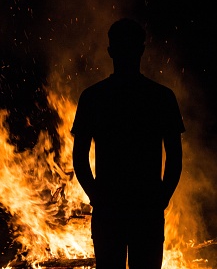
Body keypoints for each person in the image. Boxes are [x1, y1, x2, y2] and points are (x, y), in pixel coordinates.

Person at [71, 18, 185, 269]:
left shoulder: (93, 97)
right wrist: (161, 198)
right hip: (145, 210)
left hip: (111, 210)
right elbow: (175, 158)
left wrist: (96, 196)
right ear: (141, 50)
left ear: (110, 51)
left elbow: (79, 158)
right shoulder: (161, 97)